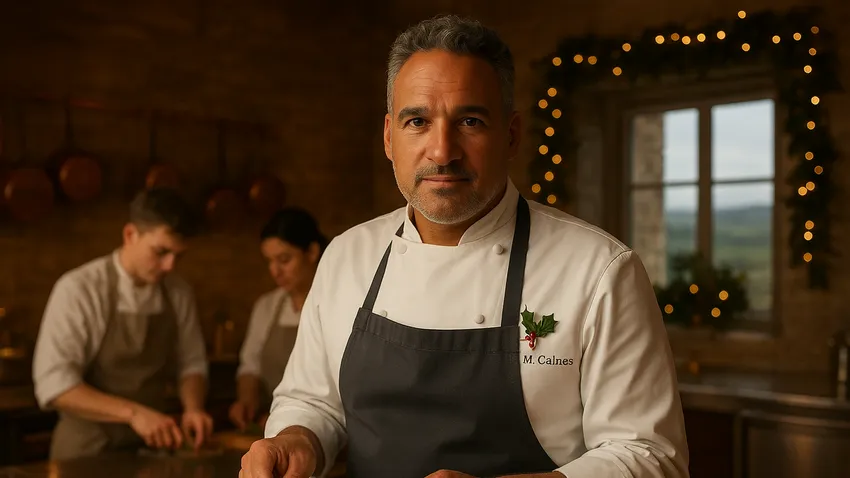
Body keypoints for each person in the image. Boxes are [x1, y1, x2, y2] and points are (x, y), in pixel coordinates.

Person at [240, 15, 689, 478]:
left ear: (511, 135)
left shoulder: (599, 271)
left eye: (470, 121)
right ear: (389, 138)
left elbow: (651, 457)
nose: (442, 151)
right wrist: (298, 440)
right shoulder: (346, 256)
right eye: (418, 121)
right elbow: (312, 399)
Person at [32, 187, 214, 460]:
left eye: (178, 256)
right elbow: (54, 384)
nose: (169, 266)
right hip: (85, 453)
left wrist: (193, 407)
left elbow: (192, 363)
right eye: (161, 252)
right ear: (130, 235)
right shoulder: (79, 289)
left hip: (153, 451)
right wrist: (133, 414)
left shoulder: (178, 293)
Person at [228, 208, 326, 432]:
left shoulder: (337, 302)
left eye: (284, 260)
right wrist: (246, 401)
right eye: (269, 261)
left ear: (311, 252)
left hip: (323, 429)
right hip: (271, 426)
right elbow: (250, 366)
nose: (275, 271)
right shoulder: (267, 306)